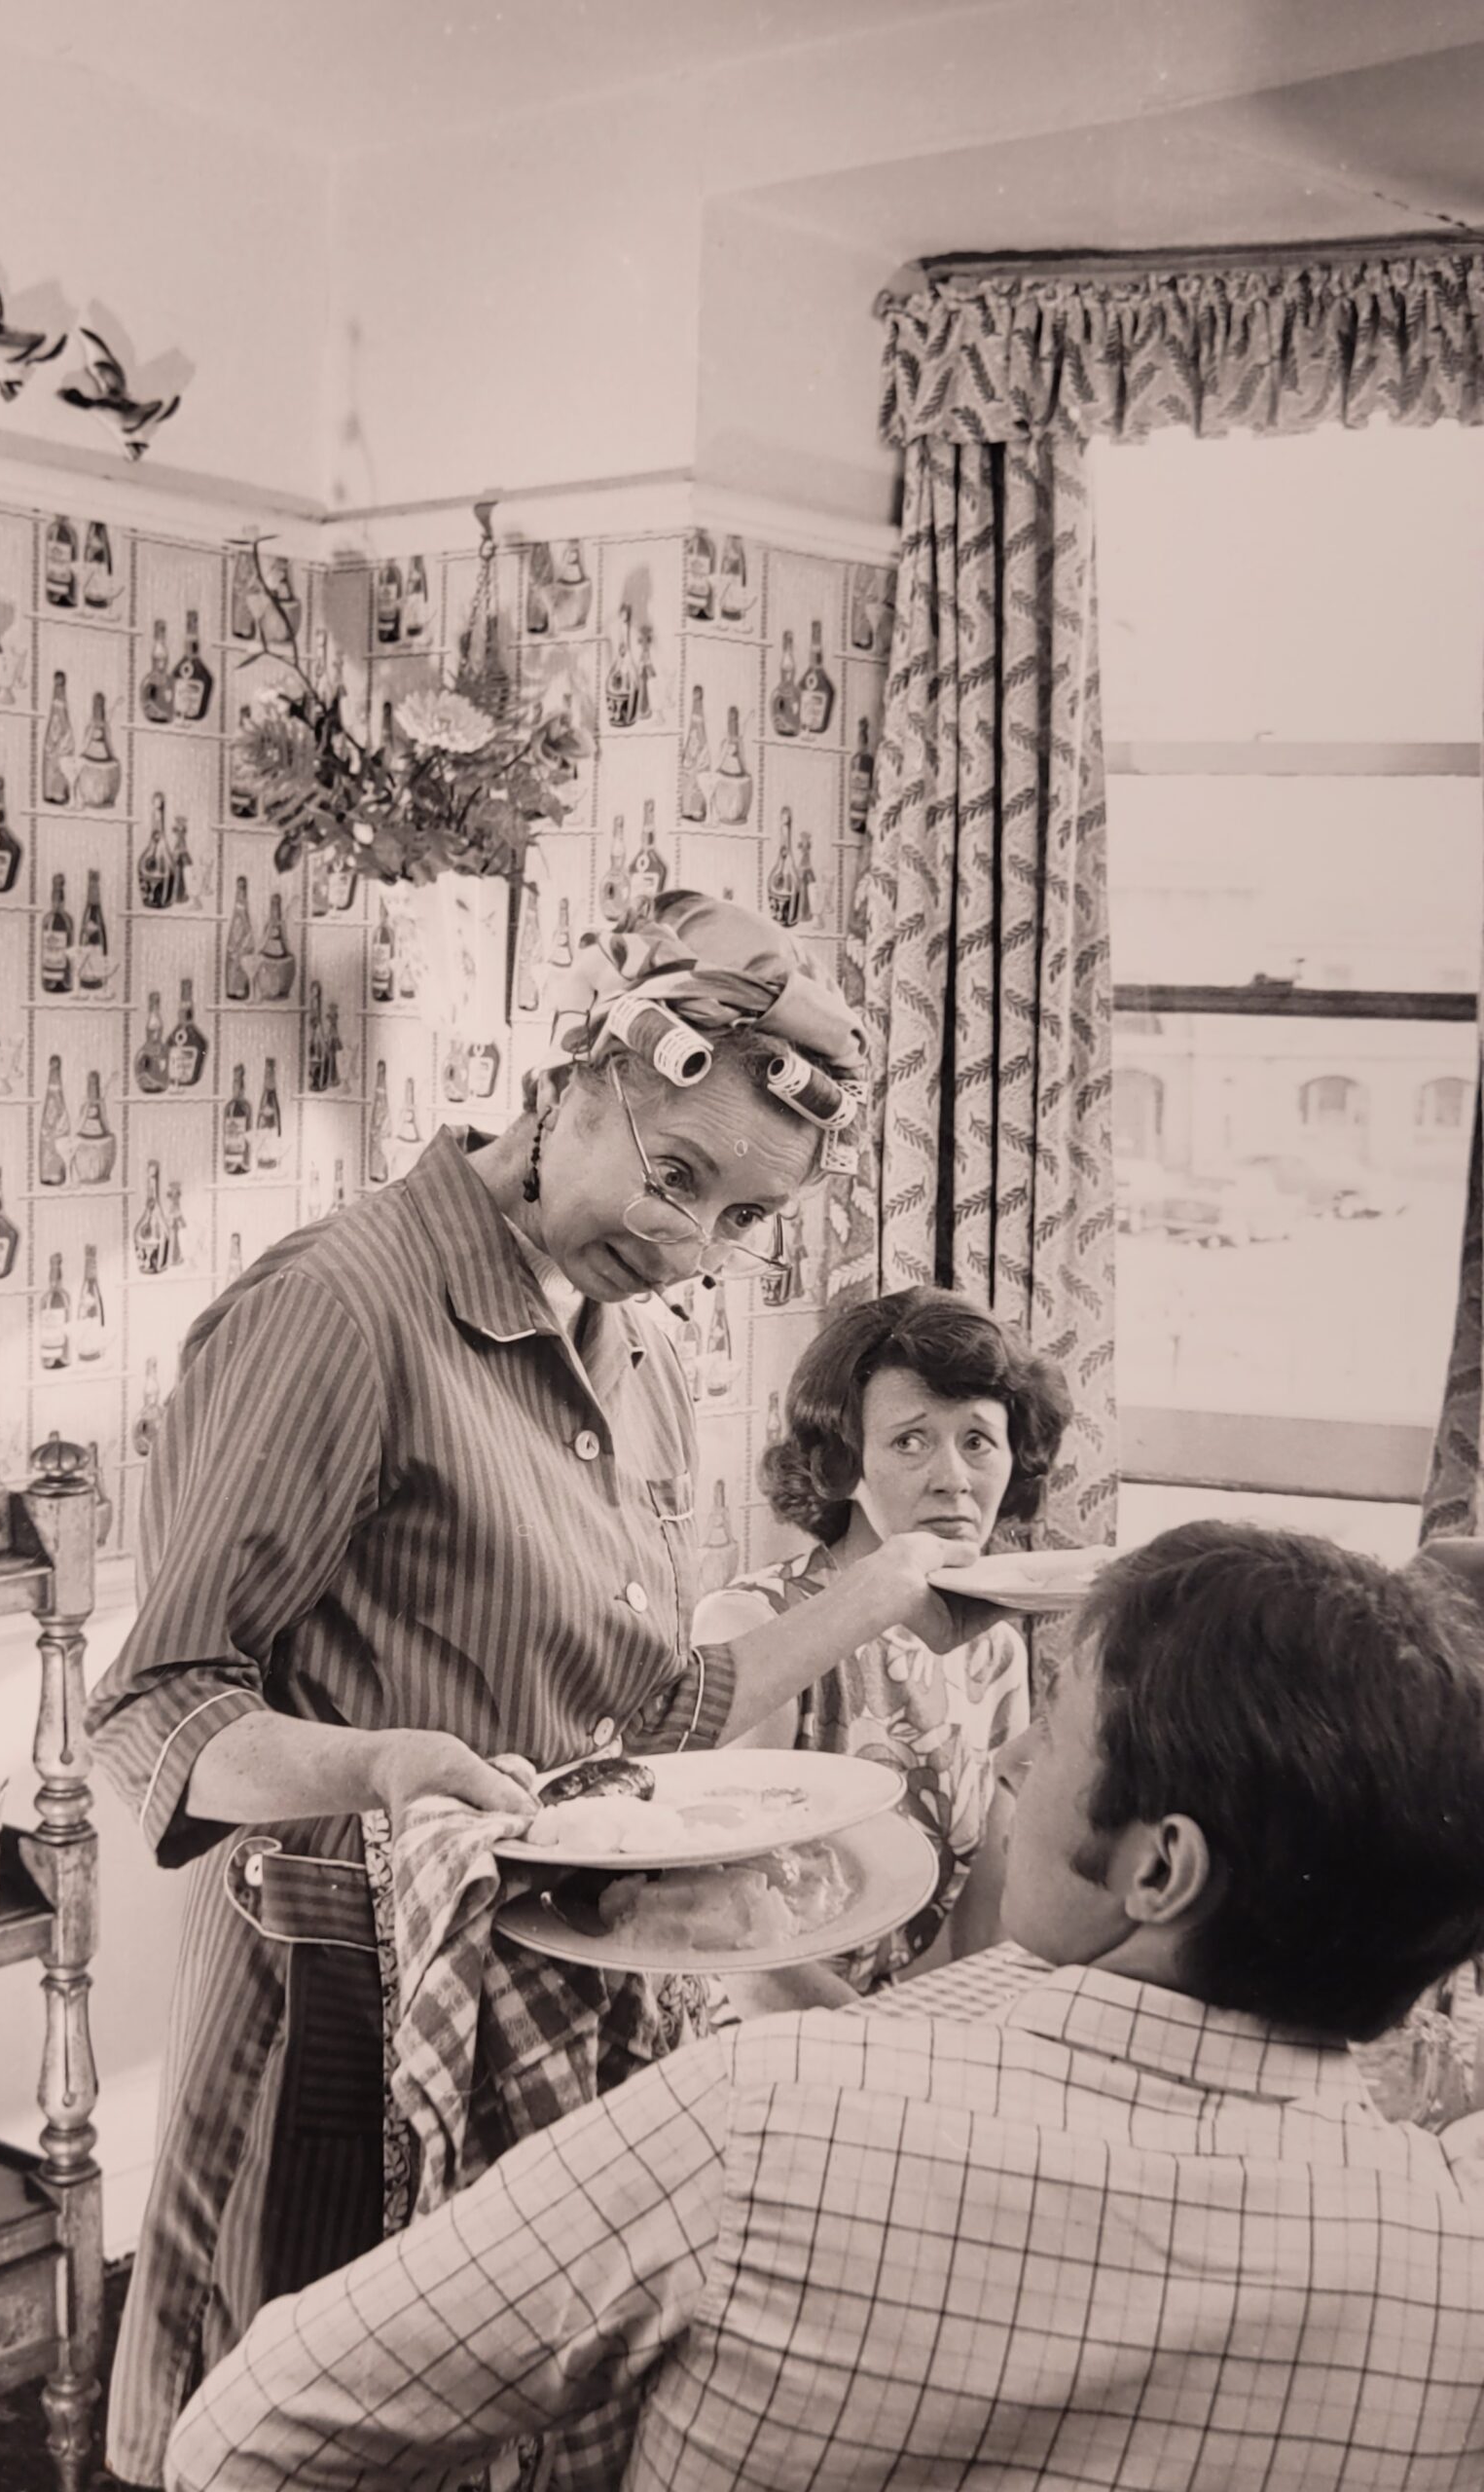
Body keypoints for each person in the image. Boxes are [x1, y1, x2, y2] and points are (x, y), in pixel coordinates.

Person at [86, 891, 1010, 2484]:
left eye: (740, 1219)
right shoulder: (344, 1310)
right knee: (289, 2418)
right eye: (676, 1175)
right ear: (571, 1076)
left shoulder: (639, 1358)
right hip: (341, 2004)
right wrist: (379, 1767)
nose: (688, 1244)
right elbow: (155, 1706)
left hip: (559, 1995)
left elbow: (647, 1724)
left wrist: (880, 1591)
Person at [167, 1520, 1484, 2492]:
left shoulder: (764, 2123)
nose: (1014, 1752)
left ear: (1159, 1869)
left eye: (1060, 1723)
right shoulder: (1450, 2274)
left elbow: (246, 2435)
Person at [706, 1284, 1072, 2007]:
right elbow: (733, 1941)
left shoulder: (994, 1645)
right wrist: (889, 2044)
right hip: (748, 2026)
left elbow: (982, 1915)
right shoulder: (753, 1623)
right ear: (845, 1465)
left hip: (888, 2021)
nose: (953, 1480)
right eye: (910, 1441)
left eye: (977, 1441)